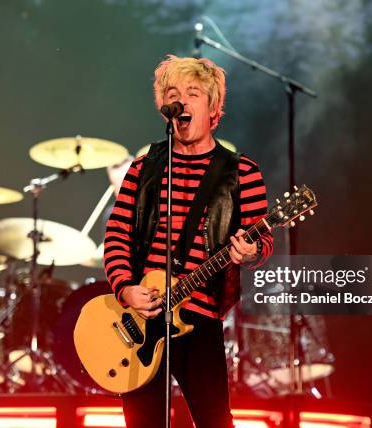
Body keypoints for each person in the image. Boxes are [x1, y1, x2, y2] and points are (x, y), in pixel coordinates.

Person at [103, 55, 273, 428]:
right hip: (141, 323)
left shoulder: (242, 172)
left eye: (192, 93)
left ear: (212, 107)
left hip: (200, 322)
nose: (180, 101)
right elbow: (115, 234)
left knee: (215, 421)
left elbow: (263, 244)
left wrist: (251, 250)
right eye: (173, 94)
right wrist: (126, 290)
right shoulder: (144, 167)